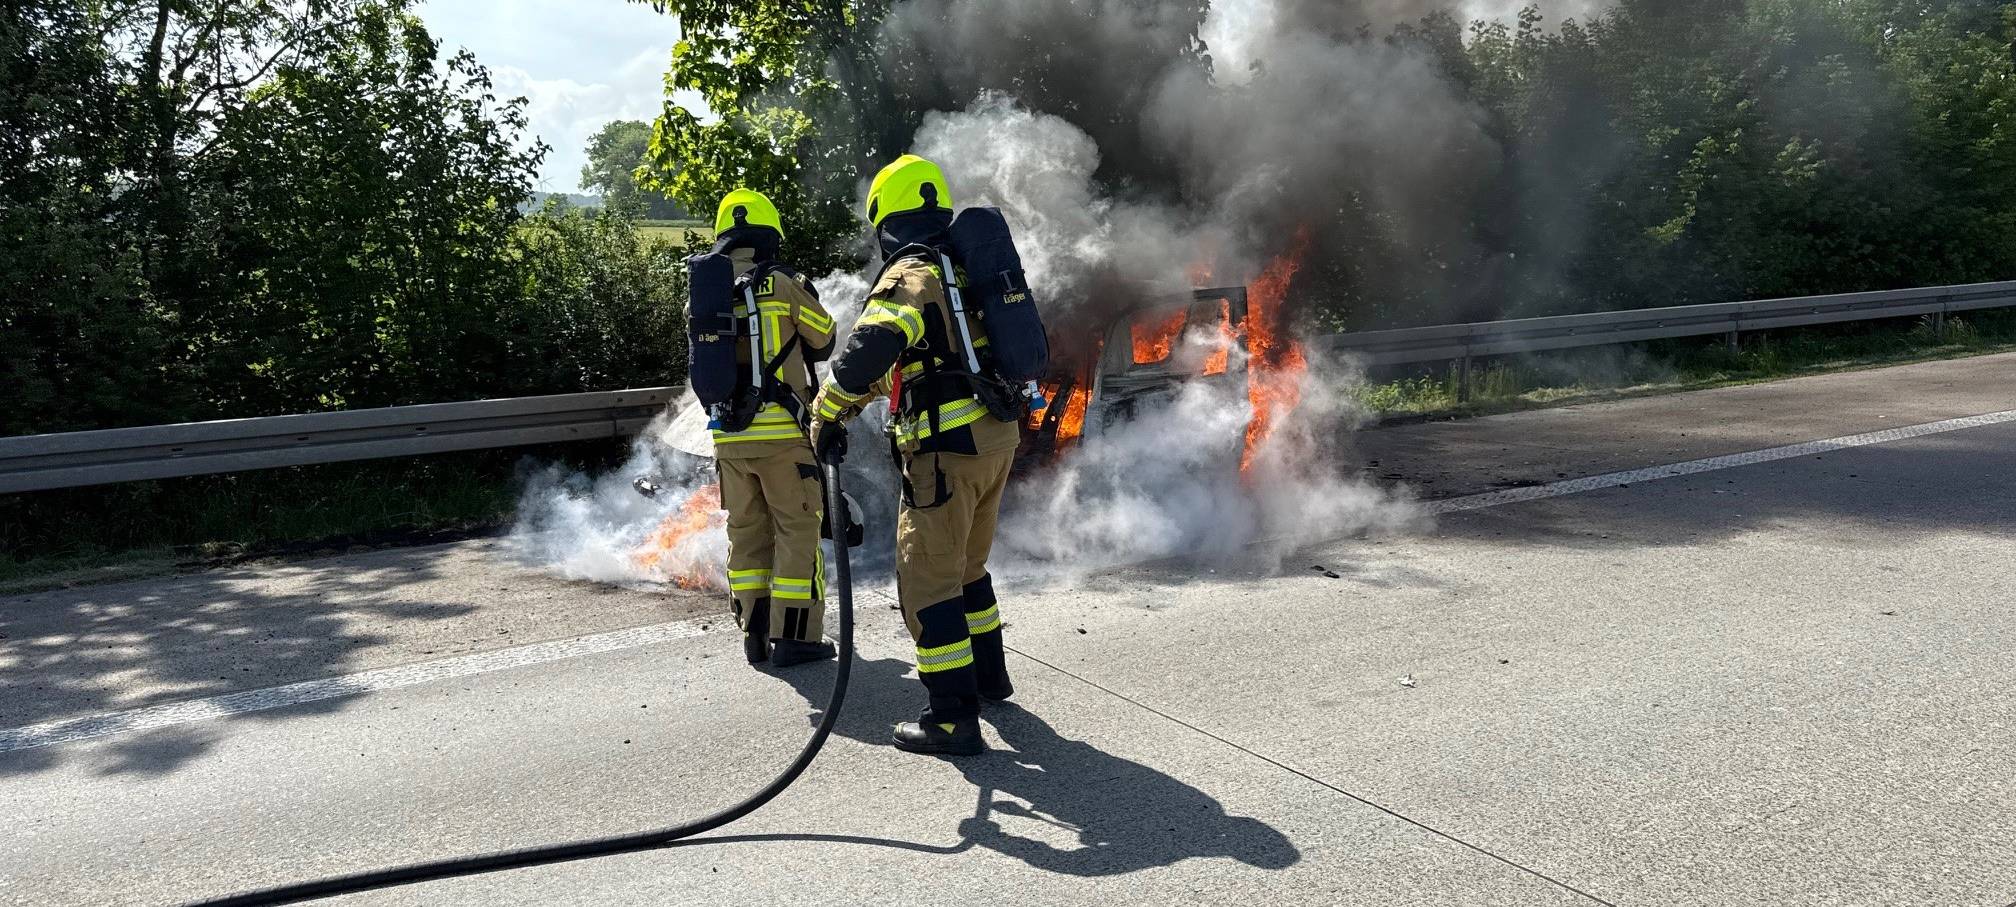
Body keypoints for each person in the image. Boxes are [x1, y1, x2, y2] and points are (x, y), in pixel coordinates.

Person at [809, 155, 1021, 756]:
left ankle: (952, 720)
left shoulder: (910, 275)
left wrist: (826, 413)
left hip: (943, 456)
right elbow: (920, 367)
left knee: (927, 582)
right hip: (992, 441)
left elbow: (871, 350)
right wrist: (852, 406)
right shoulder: (959, 269)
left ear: (887, 219)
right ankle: (989, 678)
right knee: (967, 569)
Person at [696, 188, 838, 668]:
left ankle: (754, 634)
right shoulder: (780, 282)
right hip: (783, 436)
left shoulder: (705, 289)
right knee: (798, 530)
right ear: (769, 234)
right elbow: (825, 337)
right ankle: (796, 639)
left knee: (748, 533)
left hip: (728, 438)